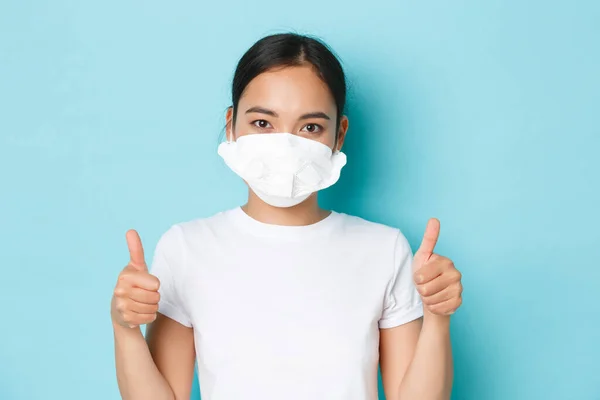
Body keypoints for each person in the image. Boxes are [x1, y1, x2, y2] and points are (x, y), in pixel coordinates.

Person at [111, 33, 463, 400]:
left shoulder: (383, 249)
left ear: (338, 135)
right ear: (232, 125)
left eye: (310, 127)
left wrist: (437, 318)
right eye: (263, 123)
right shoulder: (186, 248)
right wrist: (125, 329)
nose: (285, 146)